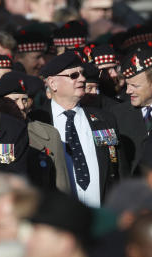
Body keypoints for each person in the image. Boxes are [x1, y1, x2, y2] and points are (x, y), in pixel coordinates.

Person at [39, 52, 123, 207]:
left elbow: (118, 171)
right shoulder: (37, 121)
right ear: (52, 83)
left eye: (82, 74)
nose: (82, 79)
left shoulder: (105, 120)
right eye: (74, 75)